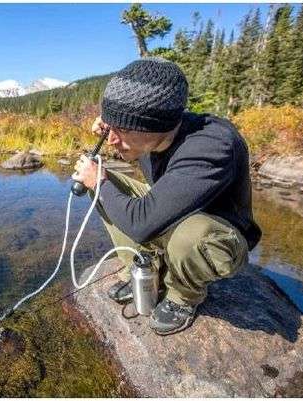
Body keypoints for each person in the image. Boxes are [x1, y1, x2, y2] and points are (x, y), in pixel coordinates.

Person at [72, 57, 262, 335]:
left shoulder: (212, 146)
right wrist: (115, 126)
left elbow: (141, 223)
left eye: (121, 131)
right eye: (111, 128)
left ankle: (183, 297)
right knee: (102, 184)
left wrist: (99, 182)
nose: (112, 140)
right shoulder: (154, 130)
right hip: (175, 211)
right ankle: (146, 267)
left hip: (218, 234)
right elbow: (132, 132)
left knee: (188, 235)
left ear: (154, 126)